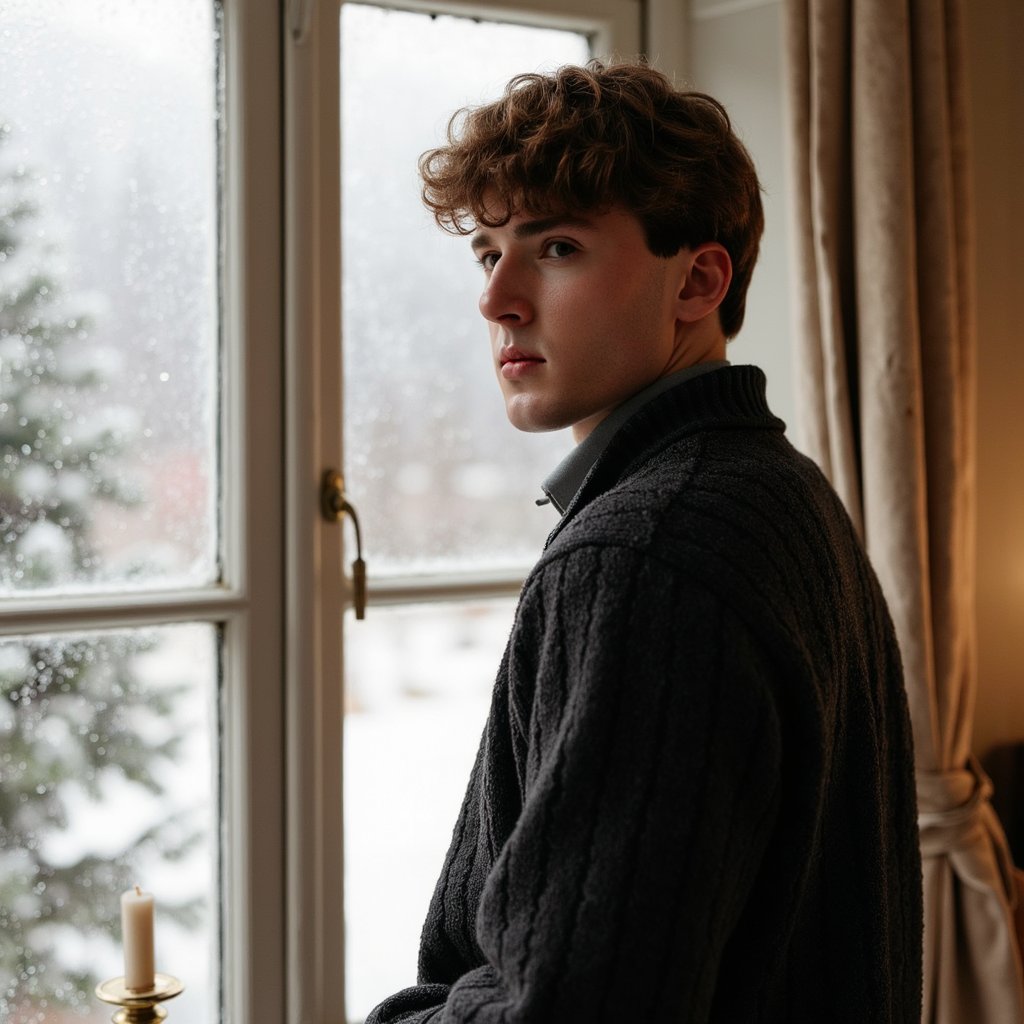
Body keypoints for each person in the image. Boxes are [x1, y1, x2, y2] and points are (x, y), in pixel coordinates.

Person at [366, 60, 922, 1023]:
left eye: (558, 247)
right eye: (487, 252)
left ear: (698, 281)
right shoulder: (774, 490)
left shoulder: (646, 553)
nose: (497, 299)